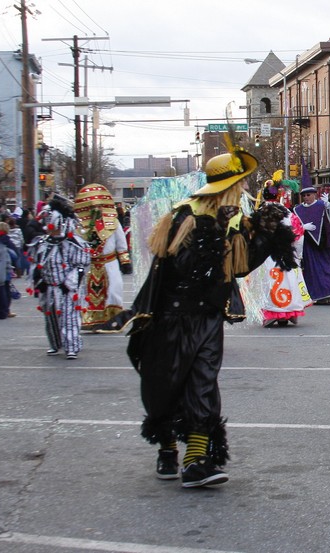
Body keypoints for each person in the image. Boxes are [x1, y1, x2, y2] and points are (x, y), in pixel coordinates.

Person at [125, 144, 296, 489]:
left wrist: (266, 232)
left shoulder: (232, 220)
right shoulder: (185, 216)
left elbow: (239, 266)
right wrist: (214, 232)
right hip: (171, 317)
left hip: (207, 318)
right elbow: (188, 268)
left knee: (203, 384)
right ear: (230, 186)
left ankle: (197, 460)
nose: (246, 190)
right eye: (243, 184)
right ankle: (168, 448)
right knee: (167, 385)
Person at [30, 195, 91, 357]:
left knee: (69, 317)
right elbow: (38, 263)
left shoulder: (72, 243)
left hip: (67, 288)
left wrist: (69, 284)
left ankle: (72, 345)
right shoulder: (43, 243)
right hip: (49, 287)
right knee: (50, 317)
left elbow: (80, 266)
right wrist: (39, 280)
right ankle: (55, 343)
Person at [74, 184, 133, 331]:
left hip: (109, 263)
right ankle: (92, 321)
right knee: (89, 293)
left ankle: (112, 319)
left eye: (100, 206)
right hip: (91, 265)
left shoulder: (113, 222)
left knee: (114, 290)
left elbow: (121, 242)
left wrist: (125, 260)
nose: (97, 209)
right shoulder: (81, 226)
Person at [257, 170, 310, 327]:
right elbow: (298, 233)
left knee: (269, 282)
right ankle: (289, 313)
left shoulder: (260, 213)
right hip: (286, 255)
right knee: (289, 282)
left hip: (266, 256)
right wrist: (298, 255)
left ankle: (271, 312)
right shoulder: (286, 212)